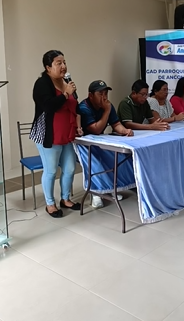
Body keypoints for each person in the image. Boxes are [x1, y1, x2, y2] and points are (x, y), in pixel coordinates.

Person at [30, 50, 83, 218]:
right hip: (49, 135)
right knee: (51, 170)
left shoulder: (66, 82)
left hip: (66, 134)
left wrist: (78, 126)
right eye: (58, 63)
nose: (63, 66)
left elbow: (75, 106)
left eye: (64, 62)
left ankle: (65, 199)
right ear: (48, 67)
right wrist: (66, 93)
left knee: (70, 168)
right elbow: (49, 106)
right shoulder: (42, 83)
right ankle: (50, 204)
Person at [79, 80, 134, 208]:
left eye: (106, 94)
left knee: (117, 156)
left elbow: (116, 124)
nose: (104, 97)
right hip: (83, 145)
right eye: (100, 94)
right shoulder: (84, 108)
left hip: (100, 143)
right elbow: (96, 129)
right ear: (90, 95)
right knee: (96, 161)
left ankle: (111, 188)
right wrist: (107, 111)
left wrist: (124, 131)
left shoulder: (107, 106)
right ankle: (96, 192)